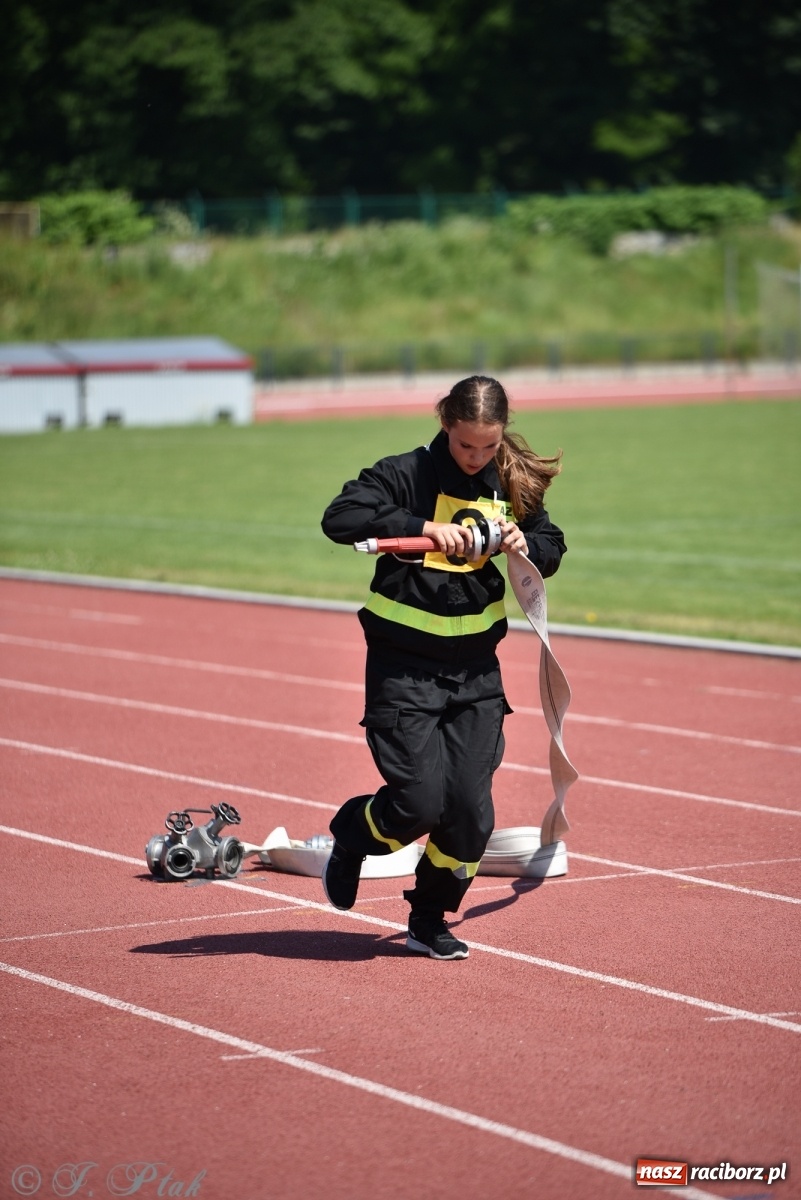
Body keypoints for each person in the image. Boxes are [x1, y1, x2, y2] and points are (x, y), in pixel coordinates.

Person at [320, 375, 566, 959]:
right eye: (465, 445)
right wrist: (424, 529)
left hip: (478, 675)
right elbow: (340, 518)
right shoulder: (405, 473)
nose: (478, 458)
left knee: (471, 815)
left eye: (489, 446)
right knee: (418, 805)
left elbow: (550, 543)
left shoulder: (510, 481)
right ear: (444, 424)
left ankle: (428, 918)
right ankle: (353, 834)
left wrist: (523, 543)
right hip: (404, 670)